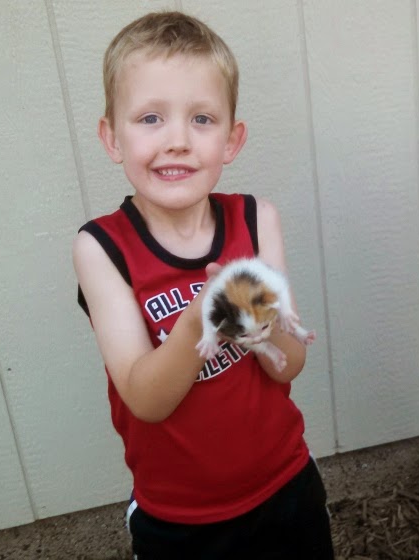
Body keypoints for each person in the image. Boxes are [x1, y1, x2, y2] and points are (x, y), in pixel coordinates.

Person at [72, 12, 334, 559]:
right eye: (150, 118)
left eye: (202, 119)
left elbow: (289, 363)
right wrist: (198, 320)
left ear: (231, 140)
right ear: (112, 137)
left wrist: (258, 323)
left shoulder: (256, 220)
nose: (177, 141)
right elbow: (145, 399)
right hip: (180, 517)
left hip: (285, 485)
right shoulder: (102, 248)